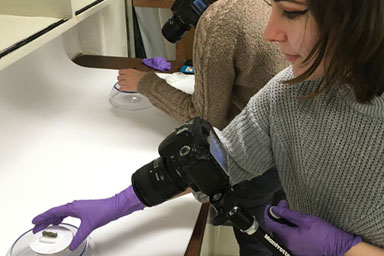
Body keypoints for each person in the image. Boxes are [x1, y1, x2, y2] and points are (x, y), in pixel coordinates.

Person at [32, 0, 384, 255]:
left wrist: (349, 251)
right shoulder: (288, 91)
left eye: (292, 11)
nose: (270, 31)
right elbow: (215, 163)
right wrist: (117, 203)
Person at [119, 0, 288, 255]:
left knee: (258, 240)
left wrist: (146, 83)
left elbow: (205, 120)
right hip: (295, 147)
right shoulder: (279, 7)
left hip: (258, 157)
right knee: (282, 223)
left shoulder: (224, 16)